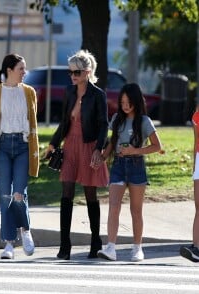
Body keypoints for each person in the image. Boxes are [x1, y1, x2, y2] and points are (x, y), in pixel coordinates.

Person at [45, 49, 109, 260]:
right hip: (70, 145)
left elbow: (103, 124)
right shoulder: (69, 92)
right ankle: (65, 246)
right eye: (70, 72)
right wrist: (53, 144)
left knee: (90, 195)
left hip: (89, 146)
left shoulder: (98, 94)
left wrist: (99, 149)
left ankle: (96, 242)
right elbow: (64, 122)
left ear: (87, 72)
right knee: (66, 194)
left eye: (77, 72)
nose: (73, 76)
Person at [97, 83, 161, 262]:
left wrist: (135, 151)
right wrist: (102, 157)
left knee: (136, 210)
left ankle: (137, 248)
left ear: (136, 101)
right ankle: (111, 248)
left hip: (136, 166)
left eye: (128, 102)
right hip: (118, 166)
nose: (125, 106)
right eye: (122, 102)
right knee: (114, 207)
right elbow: (112, 142)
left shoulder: (144, 121)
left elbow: (157, 146)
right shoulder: (117, 118)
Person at [0, 53, 39, 259]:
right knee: (5, 196)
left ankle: (25, 230)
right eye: (21, 69)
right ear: (9, 70)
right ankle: (8, 243)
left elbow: (33, 121)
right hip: (2, 147)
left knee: (18, 194)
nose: (24, 72)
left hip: (22, 146)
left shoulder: (29, 92)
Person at [180, 109, 199, 262]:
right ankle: (196, 247)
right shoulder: (197, 114)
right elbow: (196, 141)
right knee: (198, 205)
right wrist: (195, 165)